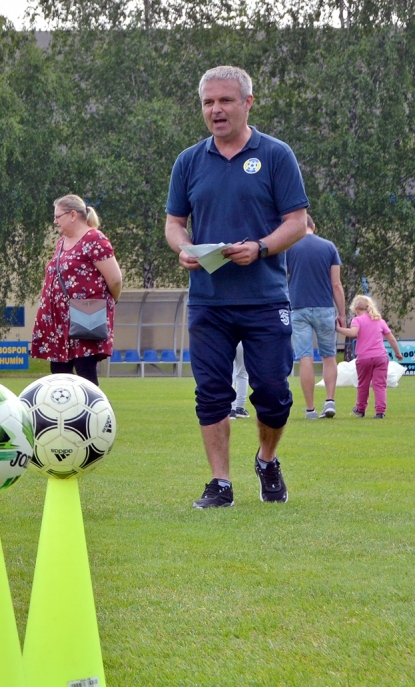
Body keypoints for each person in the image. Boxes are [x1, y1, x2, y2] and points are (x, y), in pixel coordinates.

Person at [165, 65, 309, 508]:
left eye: (226, 100)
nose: (216, 110)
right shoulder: (189, 161)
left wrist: (261, 248)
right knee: (211, 393)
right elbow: (174, 224)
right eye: (209, 102)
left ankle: (267, 460)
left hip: (265, 299)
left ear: (248, 103)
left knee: (273, 393)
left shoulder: (276, 154)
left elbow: (298, 223)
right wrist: (184, 248)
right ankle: (220, 483)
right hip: (208, 301)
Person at [30, 194, 123, 385]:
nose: (55, 222)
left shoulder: (95, 239)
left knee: (85, 373)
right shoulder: (61, 242)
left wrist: (107, 303)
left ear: (73, 215)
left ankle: (94, 413)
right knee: (59, 375)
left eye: (58, 217)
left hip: (85, 314)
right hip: (57, 321)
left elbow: (114, 280)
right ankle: (62, 414)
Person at [288, 213, 345, 419]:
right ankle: (329, 401)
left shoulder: (289, 248)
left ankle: (310, 409)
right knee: (329, 356)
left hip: (299, 308)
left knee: (305, 358)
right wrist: (342, 313)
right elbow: (336, 284)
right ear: (315, 226)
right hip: (324, 307)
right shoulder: (329, 247)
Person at [337, 295, 401, 419]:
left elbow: (353, 333)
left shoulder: (357, 320)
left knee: (363, 384)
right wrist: (397, 353)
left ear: (356, 309)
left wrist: (339, 329)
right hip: (381, 357)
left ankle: (360, 409)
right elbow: (391, 339)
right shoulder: (380, 321)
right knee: (380, 385)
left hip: (364, 358)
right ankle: (380, 412)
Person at [230, 343, 250, 418]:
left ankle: (231, 408)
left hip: (228, 338)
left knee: (230, 374)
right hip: (242, 341)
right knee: (242, 374)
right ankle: (239, 408)